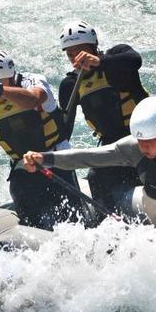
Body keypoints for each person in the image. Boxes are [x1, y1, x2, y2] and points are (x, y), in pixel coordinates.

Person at [22, 96, 156, 227]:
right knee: (110, 192)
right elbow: (89, 157)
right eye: (141, 139)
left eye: (151, 140)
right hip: (151, 204)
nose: (144, 146)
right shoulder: (134, 147)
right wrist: (46, 158)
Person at [0, 49, 85, 230]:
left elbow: (34, 99)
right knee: (20, 191)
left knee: (73, 219)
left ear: (11, 75)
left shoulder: (32, 81)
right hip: (24, 167)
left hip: (56, 159)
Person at [57, 21, 148, 217]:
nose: (76, 58)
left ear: (93, 46)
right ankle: (107, 228)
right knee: (96, 177)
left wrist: (100, 62)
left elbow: (135, 60)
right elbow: (63, 131)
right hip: (111, 145)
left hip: (144, 138)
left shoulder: (117, 58)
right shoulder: (70, 84)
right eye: (70, 54)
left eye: (80, 51)